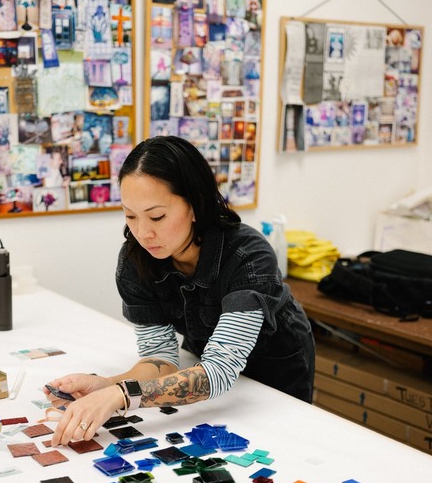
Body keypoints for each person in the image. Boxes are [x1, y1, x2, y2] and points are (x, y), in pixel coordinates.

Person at [44, 136, 315, 446]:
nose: (144, 233)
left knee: (282, 449)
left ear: (196, 204)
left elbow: (220, 370)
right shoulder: (136, 260)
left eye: (157, 216)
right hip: (208, 373)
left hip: (274, 370)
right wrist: (106, 385)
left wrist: (120, 396)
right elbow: (161, 357)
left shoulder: (248, 256)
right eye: (130, 215)